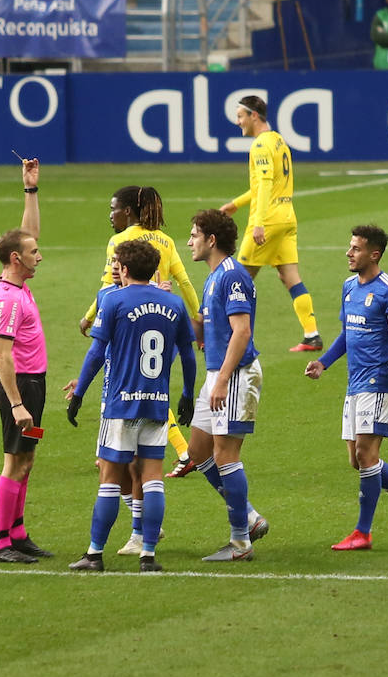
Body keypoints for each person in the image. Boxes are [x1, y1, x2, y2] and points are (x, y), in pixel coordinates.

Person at [64, 239, 196, 573]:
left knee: (110, 479)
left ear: (123, 269)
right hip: (156, 402)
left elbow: (96, 353)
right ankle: (148, 555)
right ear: (154, 269)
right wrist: (187, 395)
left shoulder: (113, 301)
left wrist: (79, 391)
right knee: (152, 479)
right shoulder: (174, 304)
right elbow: (189, 354)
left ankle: (94, 555)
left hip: (121, 404)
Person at [303, 225, 388, 551]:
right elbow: (347, 334)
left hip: (380, 382)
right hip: (355, 383)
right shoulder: (349, 287)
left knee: (367, 454)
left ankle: (363, 533)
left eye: (356, 249)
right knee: (358, 459)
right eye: (350, 247)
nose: (349, 253)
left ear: (373, 254)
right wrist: (323, 362)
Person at [77, 185, 199, 480]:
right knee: (153, 389)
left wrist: (89, 316)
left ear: (128, 211)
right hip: (166, 325)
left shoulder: (119, 241)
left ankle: (174, 451)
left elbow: (109, 288)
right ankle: (174, 452)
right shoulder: (166, 241)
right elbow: (184, 282)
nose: (111, 215)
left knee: (121, 385)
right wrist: (199, 318)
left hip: (130, 326)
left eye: (113, 209)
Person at [186, 209, 270, 562]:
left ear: (212, 240)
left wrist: (221, 380)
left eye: (194, 235)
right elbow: (207, 332)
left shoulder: (233, 276)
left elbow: (242, 331)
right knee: (198, 451)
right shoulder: (212, 278)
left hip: (234, 375)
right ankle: (248, 516)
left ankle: (239, 543)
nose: (189, 241)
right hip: (217, 374)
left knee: (225, 455)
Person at [0, 157, 52, 564]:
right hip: (22, 388)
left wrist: (30, 190)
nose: (39, 255)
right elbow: (2, 356)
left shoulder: (16, 281)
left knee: (28, 457)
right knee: (14, 460)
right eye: (33, 252)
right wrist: (16, 403)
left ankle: (19, 531)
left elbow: (27, 233)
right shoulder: (8, 300)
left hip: (35, 384)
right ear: (16, 259)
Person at [219, 95, 322, 353]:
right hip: (287, 217)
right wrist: (237, 204)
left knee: (236, 278)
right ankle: (312, 335)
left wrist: (259, 223)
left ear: (254, 115)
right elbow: (267, 184)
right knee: (290, 276)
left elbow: (264, 185)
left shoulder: (261, 146)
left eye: (241, 116)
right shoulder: (278, 141)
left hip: (270, 220)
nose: (237, 121)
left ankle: (223, 336)